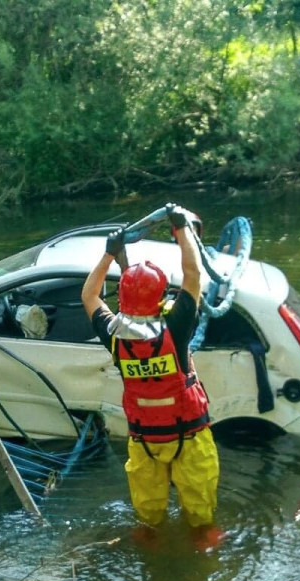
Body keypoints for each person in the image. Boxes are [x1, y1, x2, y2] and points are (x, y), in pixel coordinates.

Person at [81, 207, 223, 549]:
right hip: (189, 435)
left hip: (145, 439)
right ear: (161, 300)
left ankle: (150, 544)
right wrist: (181, 230)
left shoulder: (113, 335)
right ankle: (202, 540)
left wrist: (109, 255)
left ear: (122, 299)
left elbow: (89, 296)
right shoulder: (177, 328)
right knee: (201, 517)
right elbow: (192, 275)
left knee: (147, 521)